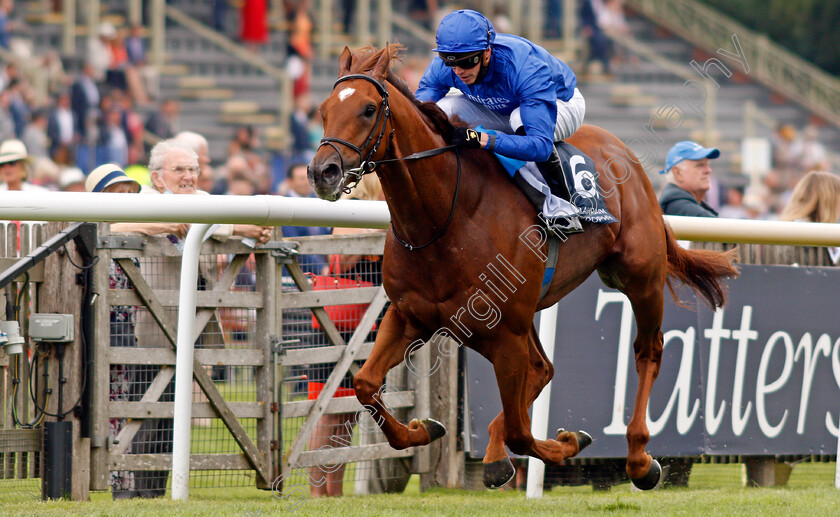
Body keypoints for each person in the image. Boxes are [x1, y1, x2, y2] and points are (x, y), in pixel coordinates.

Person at [416, 9, 585, 232]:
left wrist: (483, 139)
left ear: (487, 53)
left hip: (562, 102)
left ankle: (559, 207)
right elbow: (419, 111)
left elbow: (540, 147)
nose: (458, 71)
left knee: (518, 119)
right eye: (449, 61)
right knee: (442, 110)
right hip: (500, 103)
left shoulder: (526, 69)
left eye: (466, 62)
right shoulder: (450, 66)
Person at [307, 173, 385, 498]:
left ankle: (333, 491)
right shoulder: (350, 209)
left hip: (368, 319)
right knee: (327, 410)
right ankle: (315, 490)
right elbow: (340, 260)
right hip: (339, 321)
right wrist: (372, 235)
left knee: (351, 409)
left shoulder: (388, 212)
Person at [281, 162, 330, 275]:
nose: (307, 183)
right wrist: (321, 268)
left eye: (309, 178)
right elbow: (294, 243)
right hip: (293, 275)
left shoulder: (319, 203)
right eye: (302, 179)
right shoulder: (283, 207)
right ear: (290, 182)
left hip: (320, 275)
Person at [658, 140, 720, 217]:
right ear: (678, 173)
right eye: (700, 165)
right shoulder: (678, 206)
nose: (708, 170)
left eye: (707, 164)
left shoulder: (682, 203)